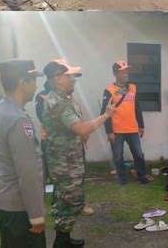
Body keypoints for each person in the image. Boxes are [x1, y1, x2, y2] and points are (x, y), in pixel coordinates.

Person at [42, 59, 116, 247]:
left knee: (65, 199)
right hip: (64, 163)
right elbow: (82, 129)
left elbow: (74, 127)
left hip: (67, 159)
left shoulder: (62, 99)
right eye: (70, 76)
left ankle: (64, 239)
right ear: (57, 78)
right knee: (68, 199)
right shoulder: (58, 102)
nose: (74, 80)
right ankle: (61, 243)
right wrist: (106, 115)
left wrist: (80, 135)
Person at [0, 60, 45, 248]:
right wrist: (36, 215)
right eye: (33, 80)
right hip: (19, 207)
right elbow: (28, 173)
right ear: (22, 82)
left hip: (3, 200)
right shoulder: (18, 120)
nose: (36, 85)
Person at [100, 60, 151, 185]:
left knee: (139, 154)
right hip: (116, 131)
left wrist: (141, 126)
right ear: (115, 74)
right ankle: (122, 179)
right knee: (118, 156)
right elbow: (104, 113)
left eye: (126, 72)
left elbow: (137, 107)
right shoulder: (109, 90)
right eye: (123, 72)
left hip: (132, 129)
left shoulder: (133, 88)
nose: (126, 75)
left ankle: (142, 176)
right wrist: (109, 132)